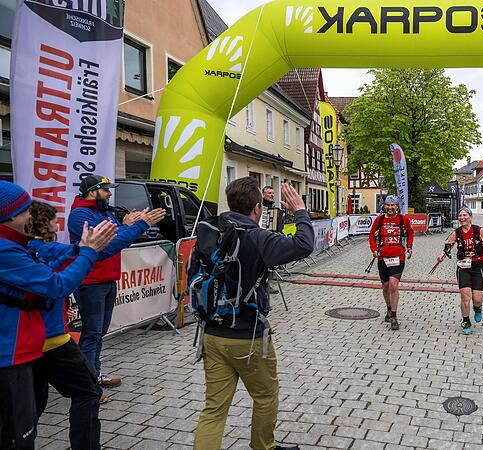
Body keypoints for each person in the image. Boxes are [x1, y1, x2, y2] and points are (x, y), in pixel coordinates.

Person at [193, 178, 313, 450]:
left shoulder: (210, 231)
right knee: (265, 396)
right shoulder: (258, 237)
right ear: (258, 208)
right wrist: (300, 211)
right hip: (248, 337)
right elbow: (304, 244)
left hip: (211, 333)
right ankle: (263, 447)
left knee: (214, 408)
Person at [0, 182, 116, 449]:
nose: (31, 214)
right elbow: (57, 285)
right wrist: (88, 252)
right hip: (13, 353)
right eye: (25, 209)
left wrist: (87, 248)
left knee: (26, 418)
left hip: (26, 348)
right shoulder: (7, 250)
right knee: (17, 434)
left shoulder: (18, 245)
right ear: (10, 215)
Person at [67, 174, 166, 387]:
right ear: (92, 192)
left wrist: (127, 225)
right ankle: (88, 383)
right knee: (92, 333)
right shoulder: (80, 215)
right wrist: (139, 225)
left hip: (107, 279)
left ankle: (94, 375)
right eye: (105, 190)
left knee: (99, 332)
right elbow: (106, 246)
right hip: (90, 282)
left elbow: (118, 238)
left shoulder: (104, 213)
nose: (110, 193)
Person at [26, 202, 105, 449]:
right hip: (51, 340)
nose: (56, 224)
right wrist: (89, 250)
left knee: (32, 404)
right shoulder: (30, 252)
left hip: (31, 342)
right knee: (88, 391)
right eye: (52, 219)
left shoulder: (28, 249)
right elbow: (59, 285)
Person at [436, 207, 483, 335]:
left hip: (478, 266)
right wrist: (442, 255)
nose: (462, 218)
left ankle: (477, 308)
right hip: (463, 267)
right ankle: (466, 321)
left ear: (470, 217)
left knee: (477, 298)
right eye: (460, 216)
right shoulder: (456, 233)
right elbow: (448, 246)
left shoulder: (479, 230)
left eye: (464, 215)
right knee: (465, 296)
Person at [368, 195, 414, 331]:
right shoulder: (380, 220)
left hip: (398, 257)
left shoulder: (403, 219)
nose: (390, 208)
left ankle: (394, 316)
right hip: (383, 258)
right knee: (386, 287)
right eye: (388, 205)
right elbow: (371, 235)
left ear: (397, 207)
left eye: (393, 205)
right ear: (385, 206)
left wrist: (409, 247)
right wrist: (374, 249)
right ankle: (389, 308)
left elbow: (410, 233)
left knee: (393, 286)